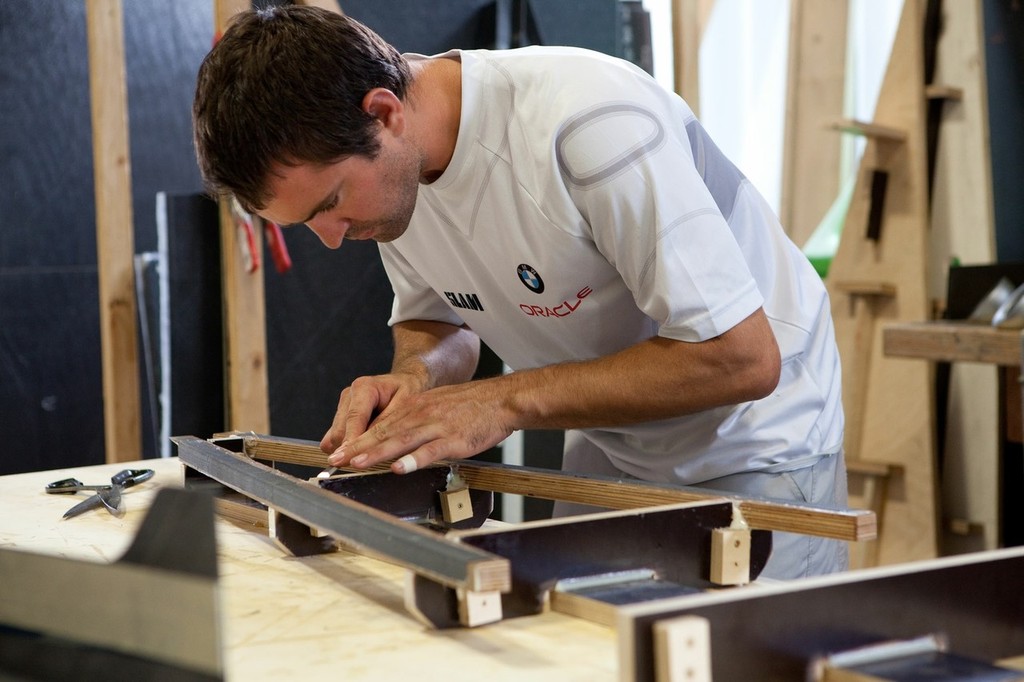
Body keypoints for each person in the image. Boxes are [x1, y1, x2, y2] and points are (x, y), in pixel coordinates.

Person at [193, 5, 848, 579]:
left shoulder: (586, 124)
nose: (332, 239)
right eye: (309, 222)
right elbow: (442, 323)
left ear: (384, 114)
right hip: (610, 437)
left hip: (754, 440)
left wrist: (500, 402)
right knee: (584, 651)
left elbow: (742, 358)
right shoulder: (397, 176)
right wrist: (417, 381)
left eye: (331, 204)